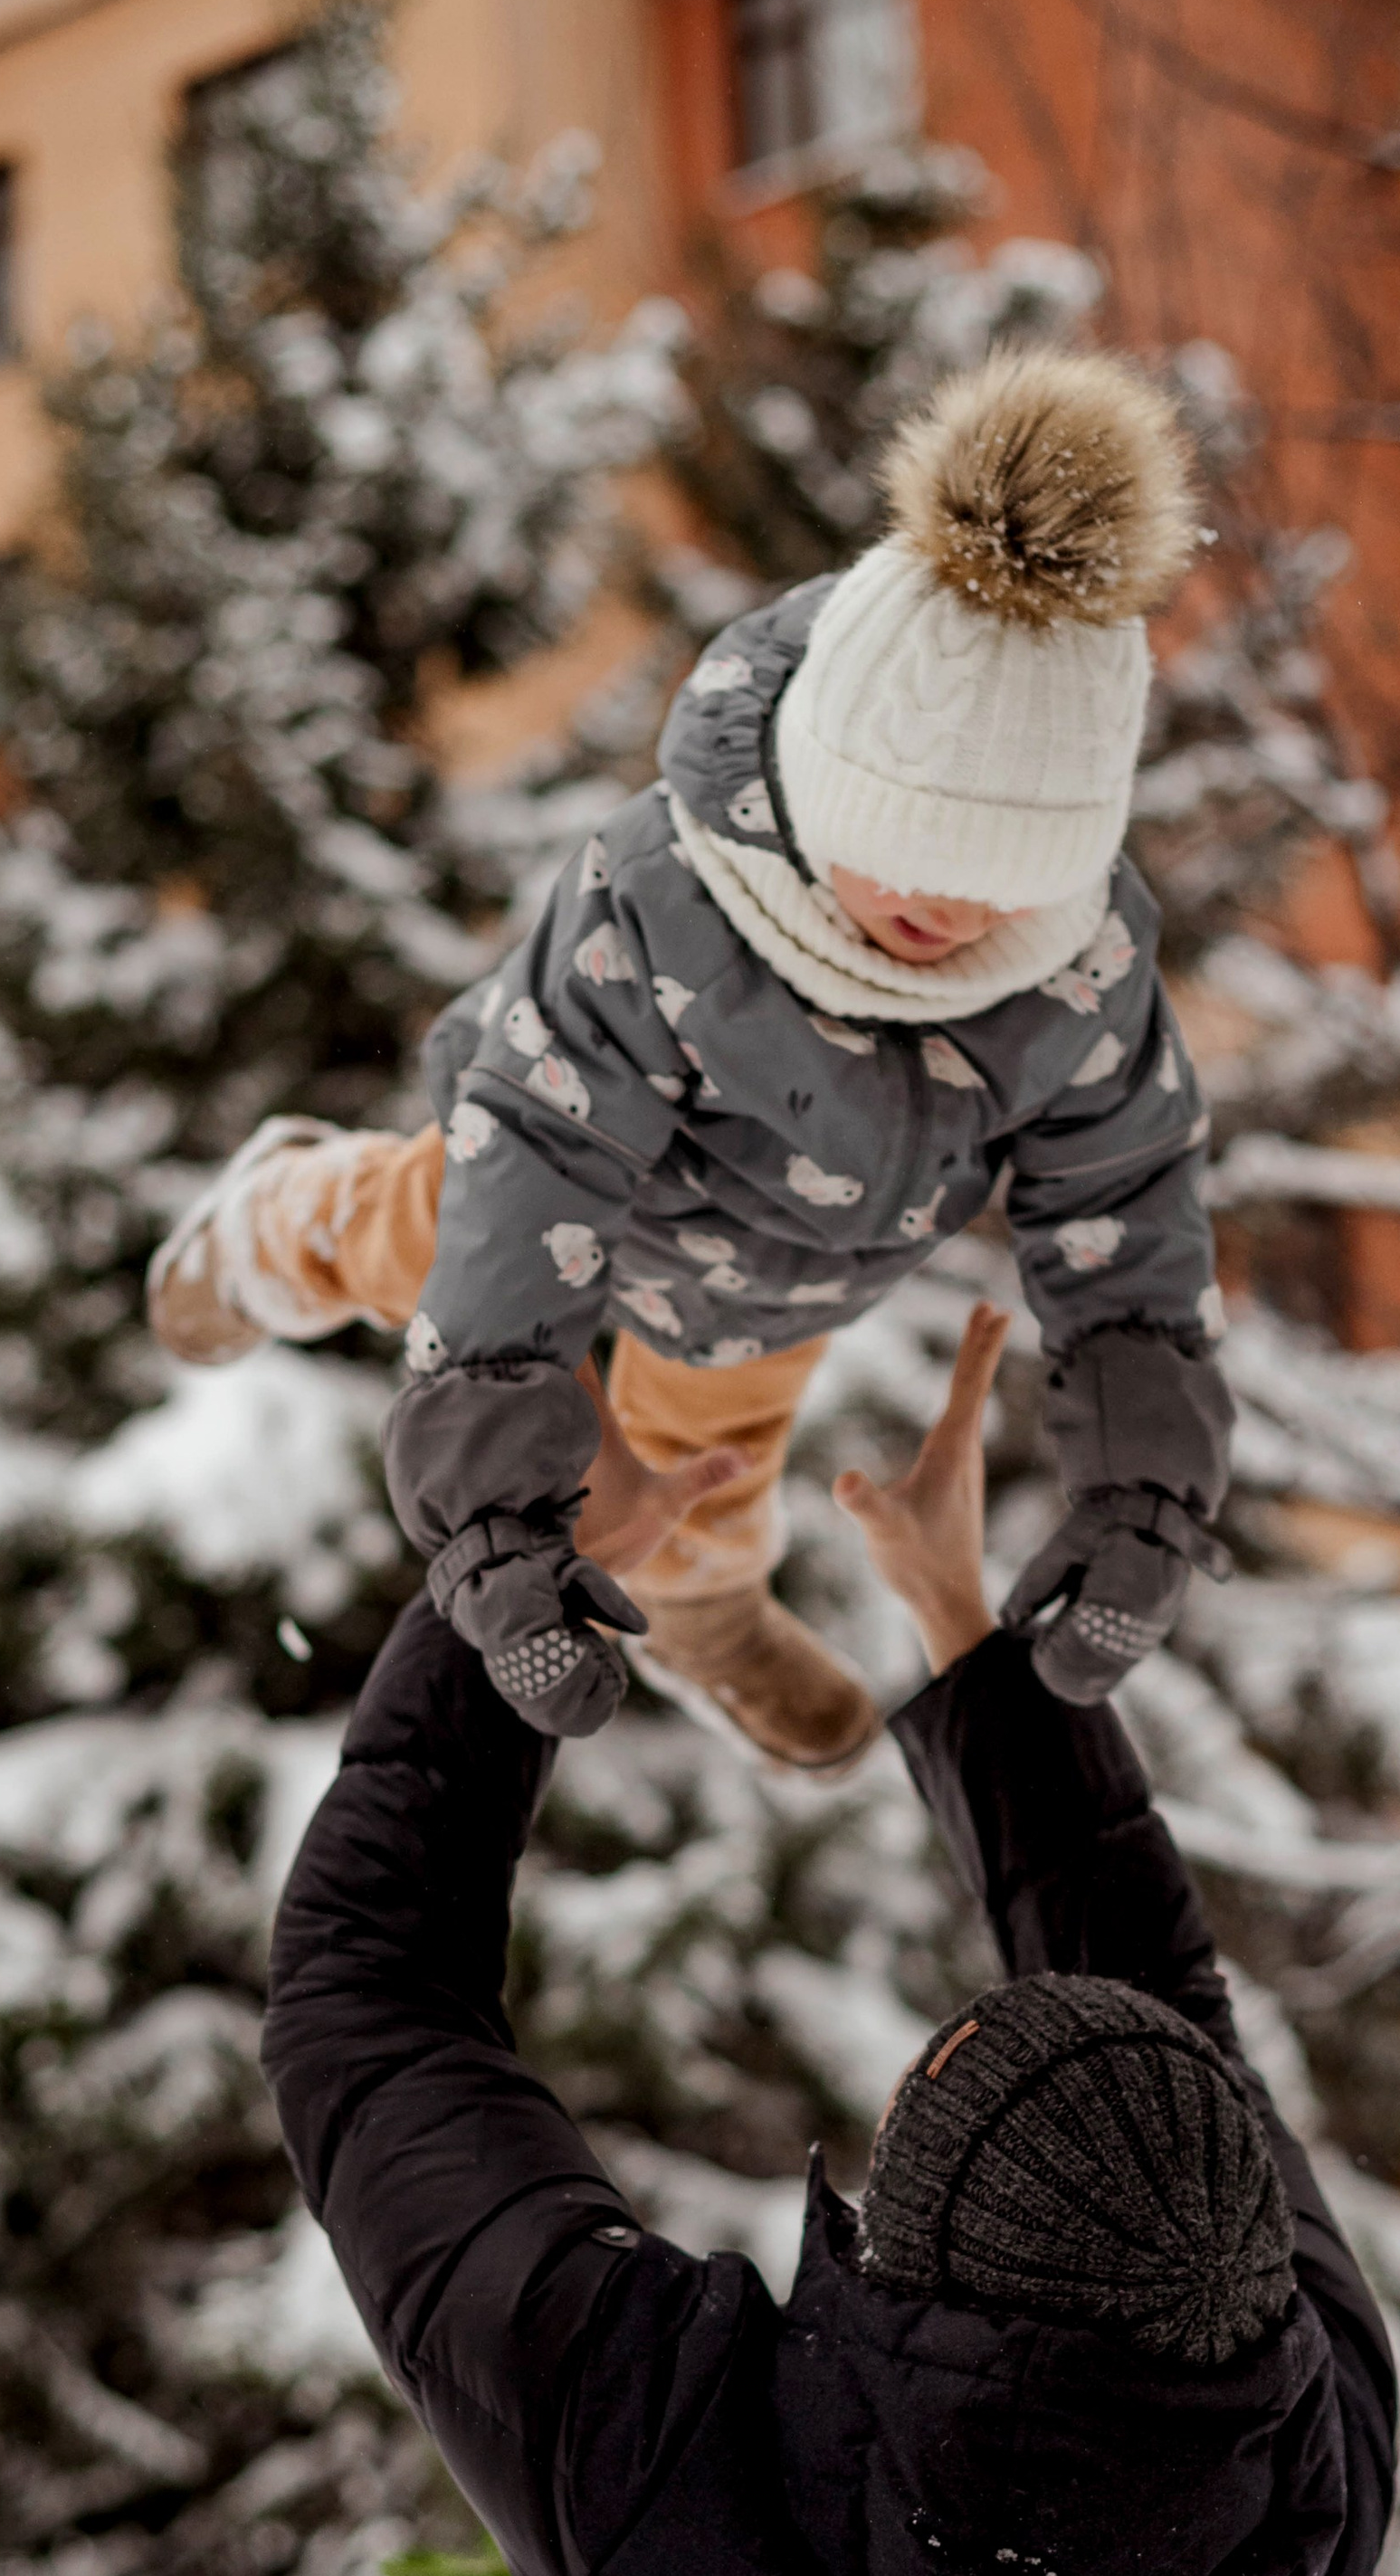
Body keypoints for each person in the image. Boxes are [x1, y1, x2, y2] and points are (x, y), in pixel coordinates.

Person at [263, 1302, 1400, 2576]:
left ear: (922, 2253)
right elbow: (1173, 2036)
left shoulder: (664, 2476)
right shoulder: (1303, 2487)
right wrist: (967, 1633)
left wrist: (523, 1568)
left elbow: (368, 2003)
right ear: (1234, 2258)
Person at [155, 349, 1233, 1773]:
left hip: (786, 1269)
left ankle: (708, 1613)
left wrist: (1142, 1495)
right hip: (548, 1173)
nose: (943, 909)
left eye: (1000, 874)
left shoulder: (1080, 975)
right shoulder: (664, 896)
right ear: (825, 771)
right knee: (410, 1237)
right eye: (901, 843)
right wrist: (497, 1516)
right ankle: (272, 1222)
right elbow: (535, 1171)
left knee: (714, 1467)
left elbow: (1131, 1212)